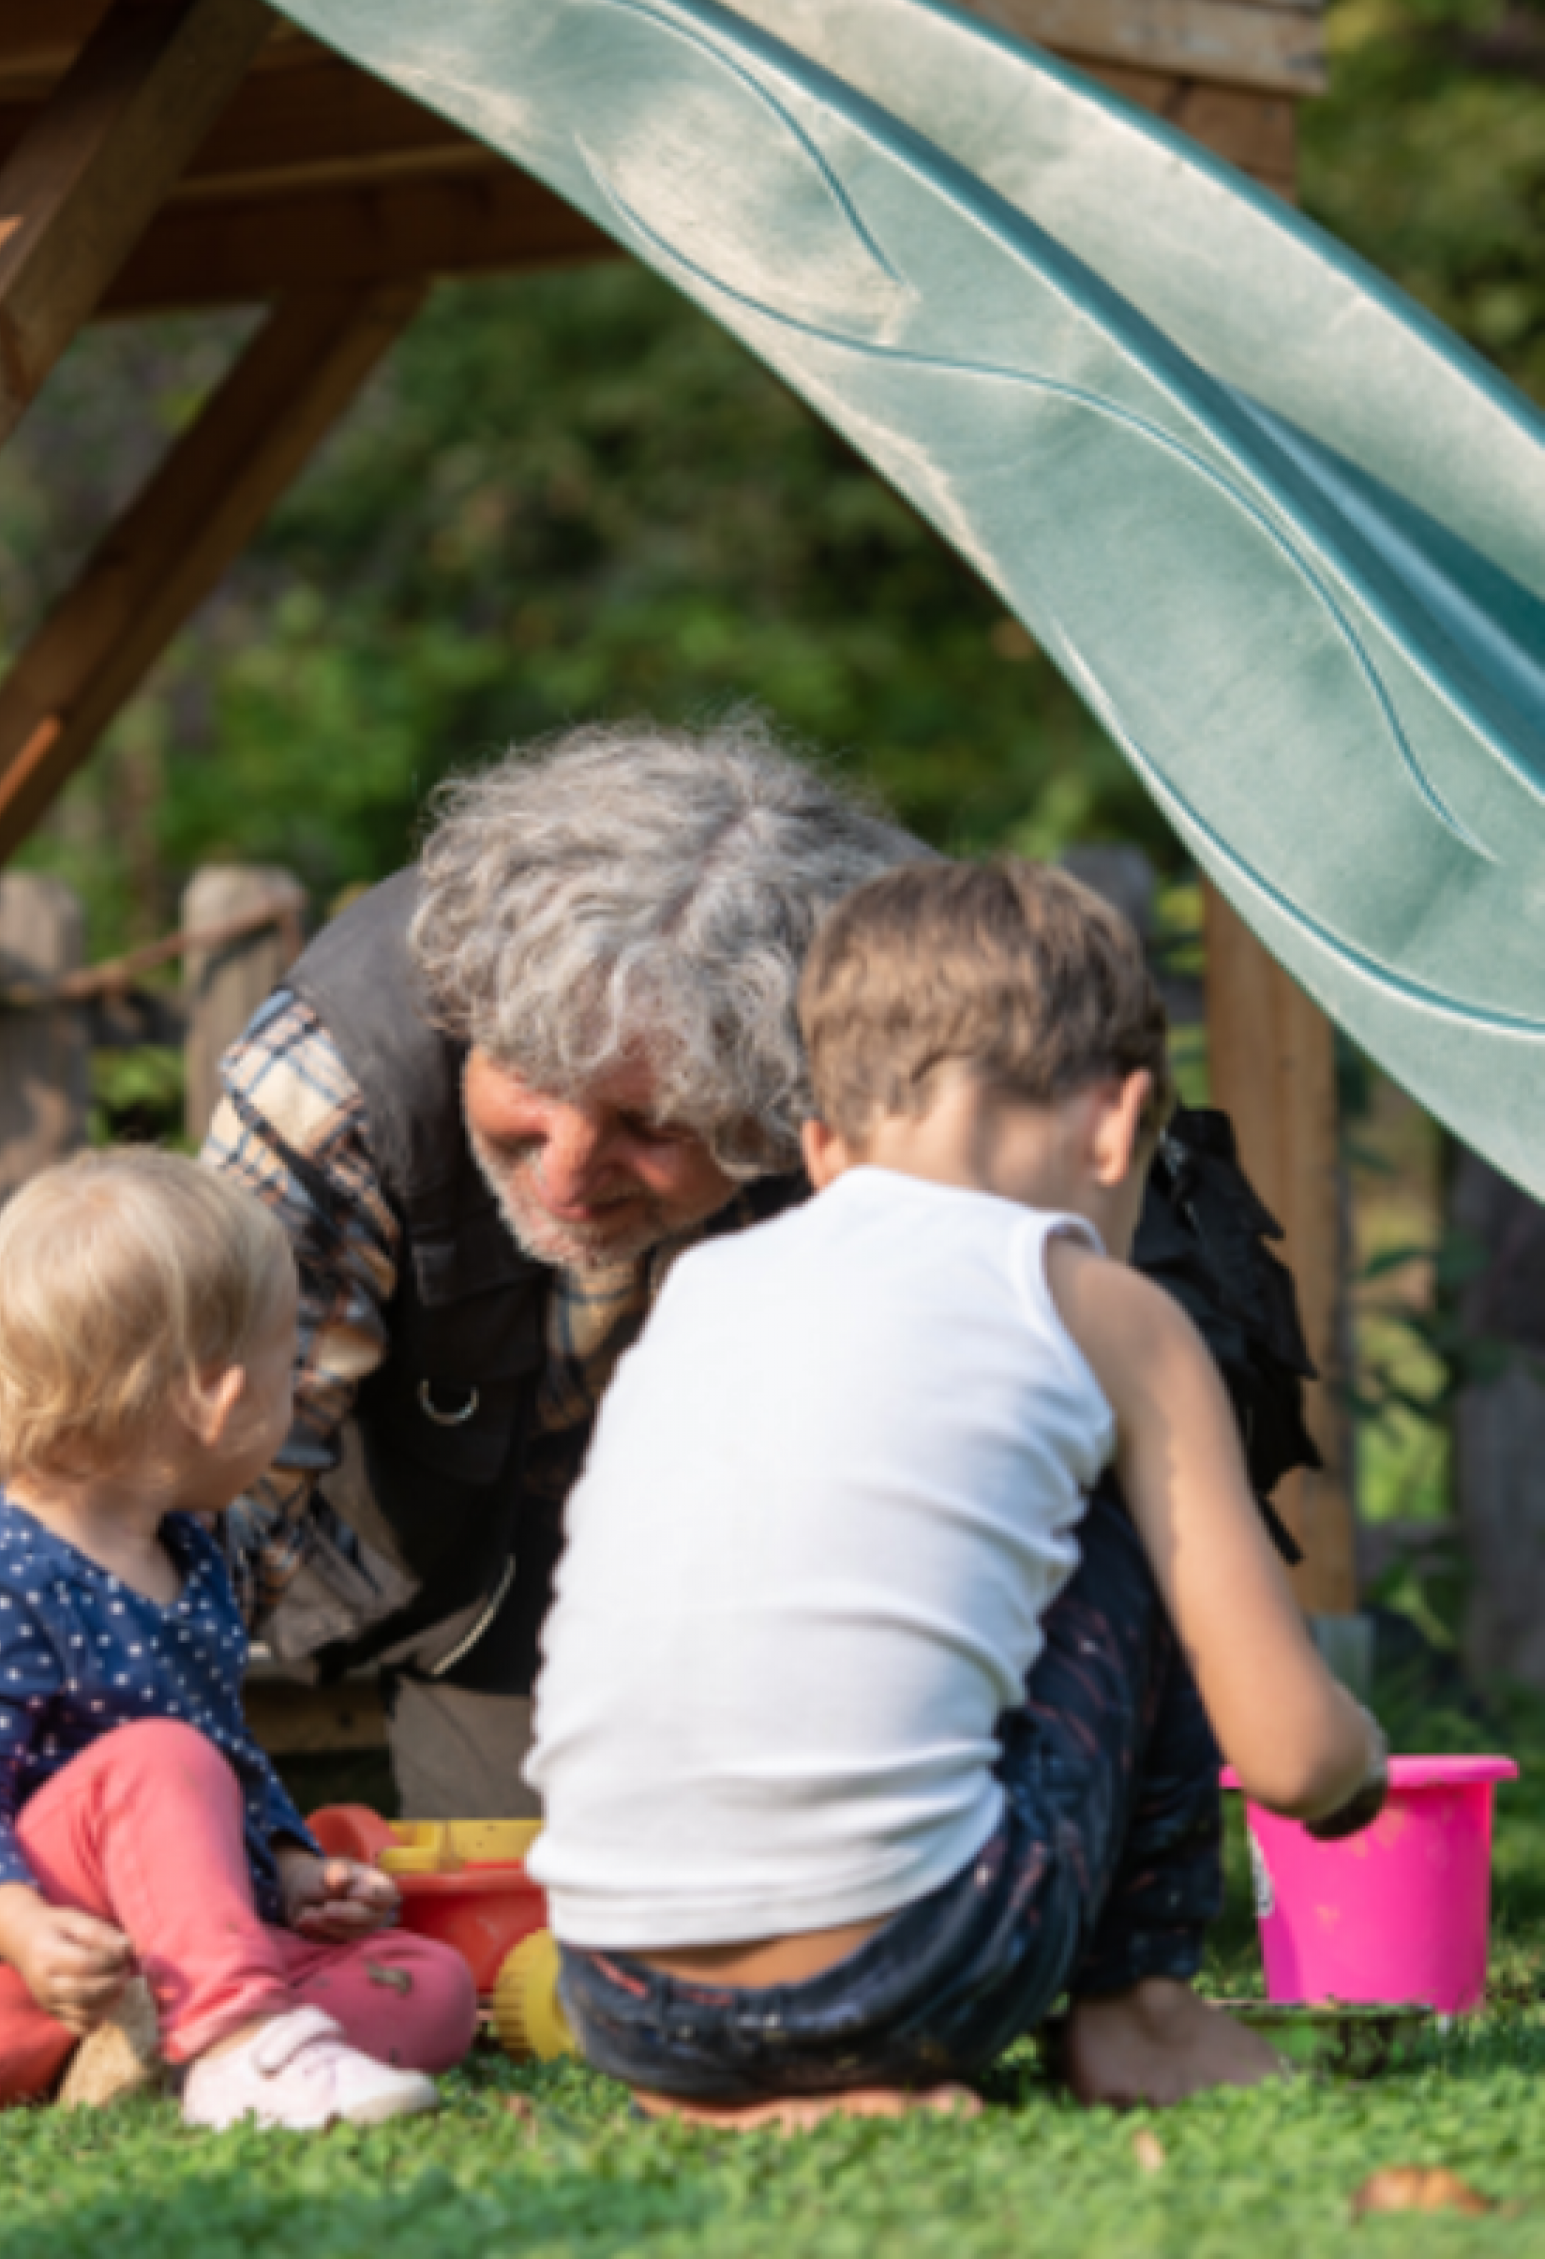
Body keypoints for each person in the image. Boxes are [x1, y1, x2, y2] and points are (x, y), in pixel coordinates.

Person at [526, 858, 1388, 2124]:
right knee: (1130, 1516)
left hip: (611, 1985)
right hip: (913, 1970)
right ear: (1117, 1123)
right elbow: (1295, 1763)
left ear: (821, 1152)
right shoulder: (1098, 1306)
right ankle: (1139, 2021)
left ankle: (737, 2096)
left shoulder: (704, 1295)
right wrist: (1356, 1758)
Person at [202, 717, 925, 1816]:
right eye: (532, 1084)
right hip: (470, 1568)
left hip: (809, 1554)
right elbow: (213, 1480)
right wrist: (168, 1790)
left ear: (790, 1106)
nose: (573, 1177)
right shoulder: (333, 1074)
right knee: (553, 1894)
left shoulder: (910, 1055)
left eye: (657, 1124)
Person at [0, 1150, 477, 2130]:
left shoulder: (196, 1551)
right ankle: (235, 2047)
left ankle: (166, 2049)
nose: (298, 1392)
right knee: (156, 1756)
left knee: (433, 1985)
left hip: (158, 1967)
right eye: (291, 1368)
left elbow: (227, 1760)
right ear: (222, 1401)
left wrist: (288, 1867)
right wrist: (20, 1927)